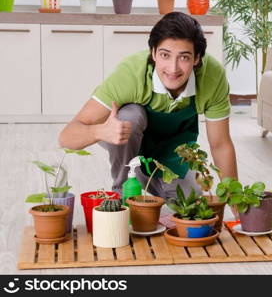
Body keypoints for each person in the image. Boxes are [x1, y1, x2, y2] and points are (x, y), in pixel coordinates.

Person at [59, 12, 238, 201]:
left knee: (189, 201)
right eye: (165, 55)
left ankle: (147, 176)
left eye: (184, 57)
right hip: (129, 137)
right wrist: (100, 132)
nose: (173, 68)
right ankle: (121, 192)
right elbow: (66, 136)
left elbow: (220, 144)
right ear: (153, 53)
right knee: (130, 117)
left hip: (175, 148)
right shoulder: (131, 75)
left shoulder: (212, 77)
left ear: (197, 58)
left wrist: (236, 200)